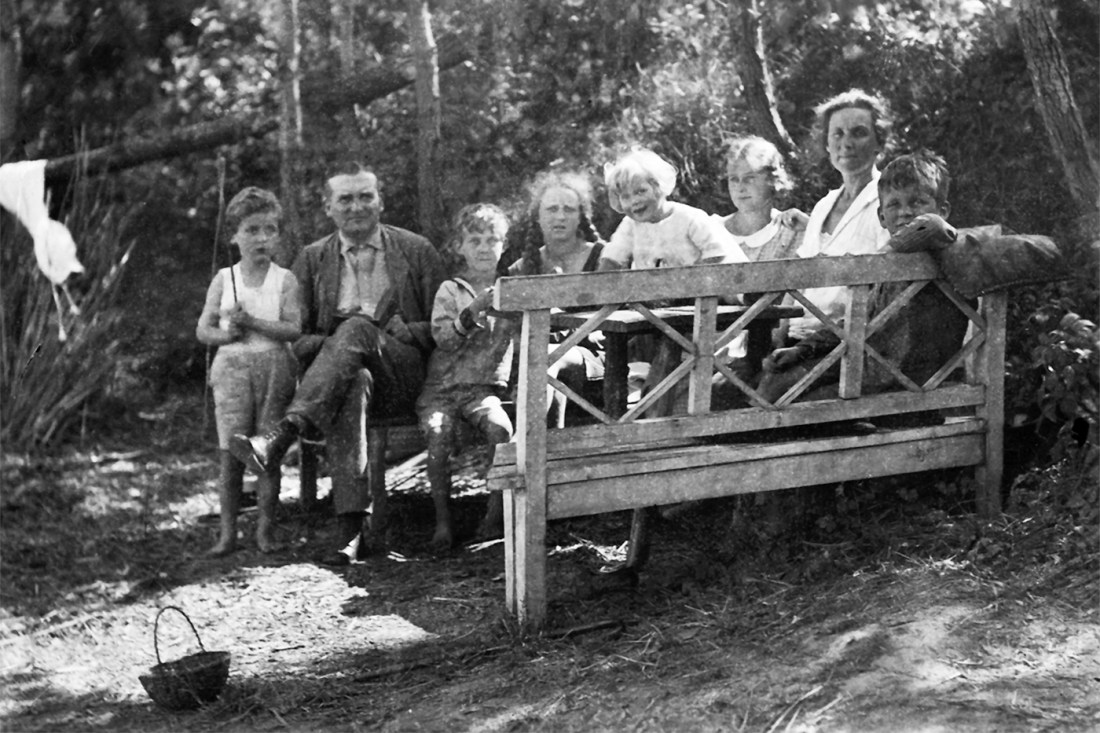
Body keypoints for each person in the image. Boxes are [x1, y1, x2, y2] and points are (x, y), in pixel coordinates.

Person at [229, 164, 446, 564]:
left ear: (381, 201)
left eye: (366, 196)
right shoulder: (312, 260)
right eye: (345, 199)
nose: (357, 206)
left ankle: (281, 435)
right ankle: (351, 534)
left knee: (360, 328)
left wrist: (407, 331)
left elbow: (445, 324)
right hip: (340, 378)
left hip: (404, 371)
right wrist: (335, 346)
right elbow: (296, 335)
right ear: (328, 208)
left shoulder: (416, 250)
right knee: (353, 378)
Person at [760, 151, 968, 403]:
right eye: (894, 205)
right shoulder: (887, 270)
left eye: (916, 203)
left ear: (943, 210)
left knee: (792, 398)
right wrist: (803, 350)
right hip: (872, 369)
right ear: (881, 217)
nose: (905, 212)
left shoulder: (937, 245)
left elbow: (931, 225)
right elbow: (853, 323)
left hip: (910, 382)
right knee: (777, 379)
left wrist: (885, 253)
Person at [196, 187, 301, 556]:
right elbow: (203, 330)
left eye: (269, 230)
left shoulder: (284, 279)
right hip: (232, 371)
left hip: (274, 367)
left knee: (266, 454)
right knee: (230, 455)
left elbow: (293, 328)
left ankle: (265, 533)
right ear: (234, 236)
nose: (261, 238)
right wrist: (228, 333)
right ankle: (227, 535)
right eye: (252, 230)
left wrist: (254, 322)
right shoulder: (225, 279)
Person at [418, 204, 515, 549]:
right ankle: (443, 522)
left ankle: (494, 513)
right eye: (475, 240)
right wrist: (472, 311)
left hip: (482, 391)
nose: (485, 248)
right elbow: (443, 339)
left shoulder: (513, 290)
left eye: (493, 240)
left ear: (504, 245)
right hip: (442, 389)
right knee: (438, 433)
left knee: (501, 428)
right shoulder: (451, 289)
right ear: (459, 246)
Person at [782, 89, 893, 344]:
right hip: (795, 337)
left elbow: (887, 289)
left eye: (859, 132)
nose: (846, 143)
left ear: (880, 142)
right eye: (838, 134)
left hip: (845, 341)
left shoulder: (889, 202)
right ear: (827, 144)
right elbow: (798, 278)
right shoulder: (824, 205)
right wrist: (780, 328)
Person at [505, 169, 608, 426]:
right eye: (551, 209)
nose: (560, 216)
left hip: (597, 358)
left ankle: (529, 442)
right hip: (539, 360)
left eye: (569, 209)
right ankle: (544, 444)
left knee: (545, 355)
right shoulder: (522, 267)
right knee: (540, 357)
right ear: (538, 217)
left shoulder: (604, 258)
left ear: (581, 216)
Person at [599, 148, 747, 271]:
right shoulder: (630, 225)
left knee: (731, 285)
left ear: (659, 187)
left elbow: (717, 254)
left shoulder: (689, 218)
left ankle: (749, 298)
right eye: (625, 196)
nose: (634, 201)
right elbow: (613, 256)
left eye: (641, 191)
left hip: (713, 288)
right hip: (661, 297)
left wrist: (686, 283)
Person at [715, 135, 805, 262]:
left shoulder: (792, 231)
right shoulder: (712, 230)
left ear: (772, 179)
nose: (740, 188)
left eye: (749, 178)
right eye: (734, 179)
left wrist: (813, 228)